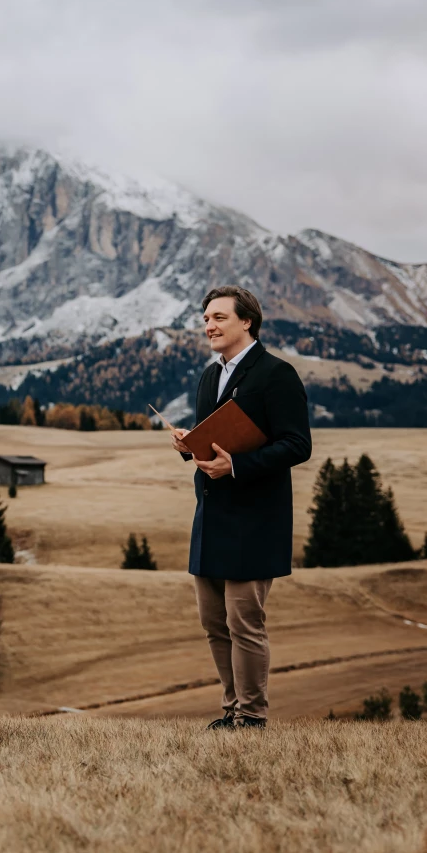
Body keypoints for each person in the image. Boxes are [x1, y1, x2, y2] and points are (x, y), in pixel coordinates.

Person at [171, 286, 311, 730]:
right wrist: (187, 446)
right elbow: (213, 439)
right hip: (210, 517)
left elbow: (298, 445)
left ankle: (253, 716)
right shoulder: (209, 376)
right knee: (214, 622)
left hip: (255, 519)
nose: (208, 326)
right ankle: (231, 711)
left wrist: (239, 466)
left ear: (246, 321)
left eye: (218, 318)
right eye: (205, 319)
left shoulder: (276, 374)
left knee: (243, 621)